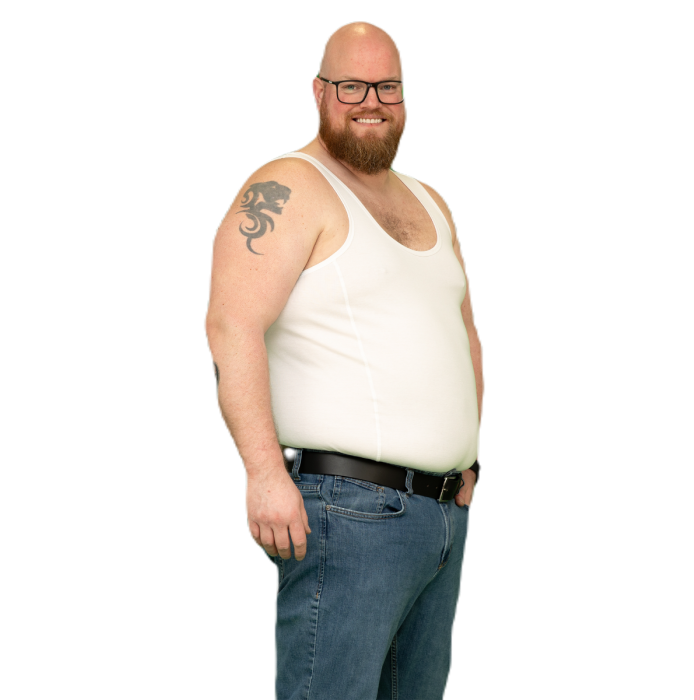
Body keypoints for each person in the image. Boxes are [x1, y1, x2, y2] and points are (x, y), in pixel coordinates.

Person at [205, 20, 485, 700]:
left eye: (388, 86)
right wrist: (263, 474)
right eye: (352, 85)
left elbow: (464, 335)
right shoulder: (287, 187)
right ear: (317, 91)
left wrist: (467, 463)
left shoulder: (430, 201)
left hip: (442, 515)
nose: (372, 102)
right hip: (347, 512)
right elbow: (231, 325)